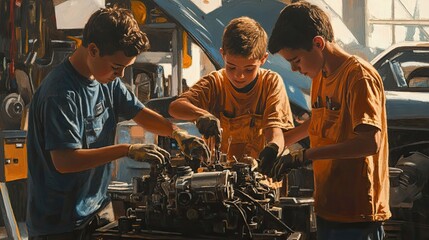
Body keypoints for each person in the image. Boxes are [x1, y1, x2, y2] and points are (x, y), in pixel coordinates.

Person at [26, 7, 209, 240]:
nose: (121, 74)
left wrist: (177, 132)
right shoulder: (61, 94)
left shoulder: (106, 80)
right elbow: (65, 161)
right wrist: (127, 150)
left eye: (125, 67)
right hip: (58, 225)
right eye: (117, 67)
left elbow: (139, 113)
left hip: (96, 211)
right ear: (93, 50)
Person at [267, 1, 391, 240]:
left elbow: (369, 143)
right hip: (328, 208)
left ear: (318, 43)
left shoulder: (358, 77)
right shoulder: (320, 76)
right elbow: (319, 122)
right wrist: (278, 146)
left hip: (357, 216)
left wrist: (304, 156)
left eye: (296, 60)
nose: (294, 69)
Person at [168, 16, 294, 171]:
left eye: (249, 69)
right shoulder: (214, 83)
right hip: (217, 179)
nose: (239, 76)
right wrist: (201, 115)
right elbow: (175, 107)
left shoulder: (271, 83)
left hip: (261, 179)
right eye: (231, 67)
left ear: (263, 59)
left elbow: (274, 130)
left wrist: (273, 148)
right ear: (222, 54)